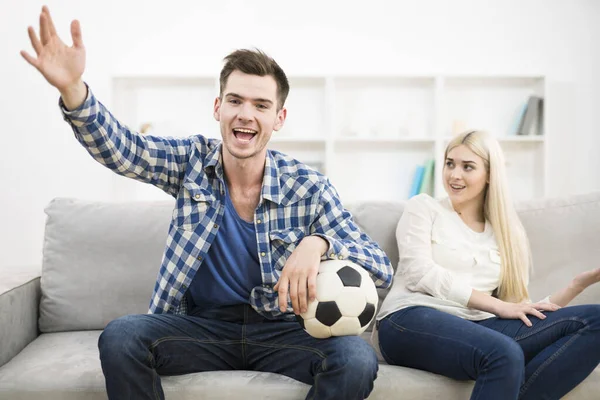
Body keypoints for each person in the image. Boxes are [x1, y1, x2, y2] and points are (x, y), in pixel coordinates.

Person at [22, 6, 394, 400]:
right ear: (218, 108)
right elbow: (124, 150)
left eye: (261, 105)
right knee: (122, 336)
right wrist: (73, 90)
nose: (245, 114)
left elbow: (380, 266)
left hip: (283, 332)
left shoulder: (309, 187)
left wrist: (318, 243)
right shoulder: (190, 163)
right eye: (235, 100)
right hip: (203, 328)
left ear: (279, 118)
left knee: (355, 357)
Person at [374, 129, 600, 400]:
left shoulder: (506, 232)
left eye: (467, 167)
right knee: (504, 353)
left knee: (595, 320)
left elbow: (522, 308)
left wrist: (578, 284)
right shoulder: (423, 208)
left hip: (478, 326)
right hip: (408, 318)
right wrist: (499, 307)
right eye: (450, 164)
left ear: (490, 174)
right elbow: (418, 273)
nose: (454, 175)